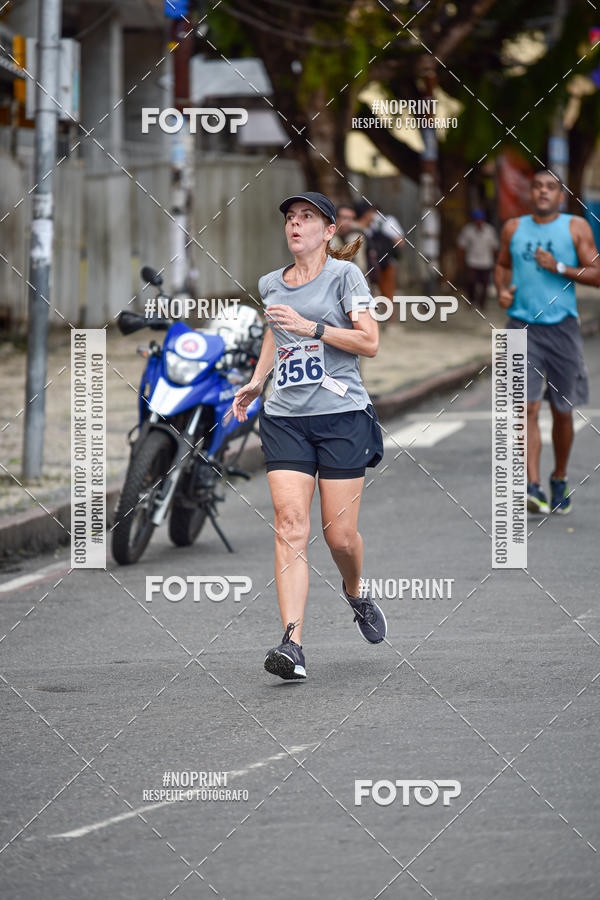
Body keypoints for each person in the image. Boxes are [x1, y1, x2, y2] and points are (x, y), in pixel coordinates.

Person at [231, 191, 387, 680]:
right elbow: (275, 336)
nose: (296, 225)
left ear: (326, 231)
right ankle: (292, 644)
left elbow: (370, 342)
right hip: (285, 417)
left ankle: (356, 591)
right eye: (290, 218)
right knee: (289, 522)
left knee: (338, 536)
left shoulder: (346, 276)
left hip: (342, 416)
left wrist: (313, 327)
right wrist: (258, 383)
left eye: (307, 218)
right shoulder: (271, 284)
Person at [494, 169, 600, 515]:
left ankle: (559, 476)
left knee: (563, 412)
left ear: (560, 196)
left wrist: (560, 267)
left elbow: (597, 274)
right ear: (531, 194)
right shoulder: (513, 228)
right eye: (537, 186)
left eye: (550, 187)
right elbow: (501, 265)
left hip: (562, 329)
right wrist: (501, 291)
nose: (542, 192)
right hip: (520, 327)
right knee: (527, 407)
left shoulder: (576, 227)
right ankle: (533, 486)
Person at [457, 209, 499, 310]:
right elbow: (461, 246)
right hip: (472, 261)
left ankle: (482, 304)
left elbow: (494, 247)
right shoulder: (467, 230)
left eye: (480, 220)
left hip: (486, 262)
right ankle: (471, 300)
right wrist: (461, 261)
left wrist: (496, 261)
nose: (479, 222)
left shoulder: (490, 230)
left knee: (484, 284)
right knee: (471, 282)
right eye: (476, 220)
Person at [329, 204, 368, 272]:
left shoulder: (356, 235)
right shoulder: (329, 235)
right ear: (336, 219)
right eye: (344, 218)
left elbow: (361, 266)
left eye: (351, 218)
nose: (348, 222)